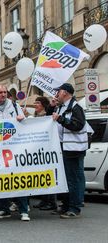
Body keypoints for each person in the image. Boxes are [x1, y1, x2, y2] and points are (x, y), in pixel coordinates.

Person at [0, 84, 30, 221]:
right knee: (1, 180)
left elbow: (24, 122)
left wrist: (21, 118)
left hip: (15, 148)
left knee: (18, 178)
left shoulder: (14, 105)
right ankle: (4, 209)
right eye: (0, 92)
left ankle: (24, 210)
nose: (3, 94)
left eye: (5, 92)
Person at [49, 83, 88, 218]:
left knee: (73, 179)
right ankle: (65, 205)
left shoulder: (76, 107)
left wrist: (61, 119)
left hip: (73, 149)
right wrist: (53, 108)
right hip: (63, 148)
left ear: (65, 93)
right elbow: (51, 119)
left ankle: (74, 208)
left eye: (58, 92)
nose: (56, 95)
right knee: (64, 179)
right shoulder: (62, 107)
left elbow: (78, 125)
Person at [29, 96, 58, 211]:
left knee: (48, 174)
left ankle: (51, 202)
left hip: (47, 149)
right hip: (38, 148)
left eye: (37, 103)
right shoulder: (36, 116)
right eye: (35, 102)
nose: (35, 105)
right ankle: (44, 200)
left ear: (43, 105)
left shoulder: (46, 116)